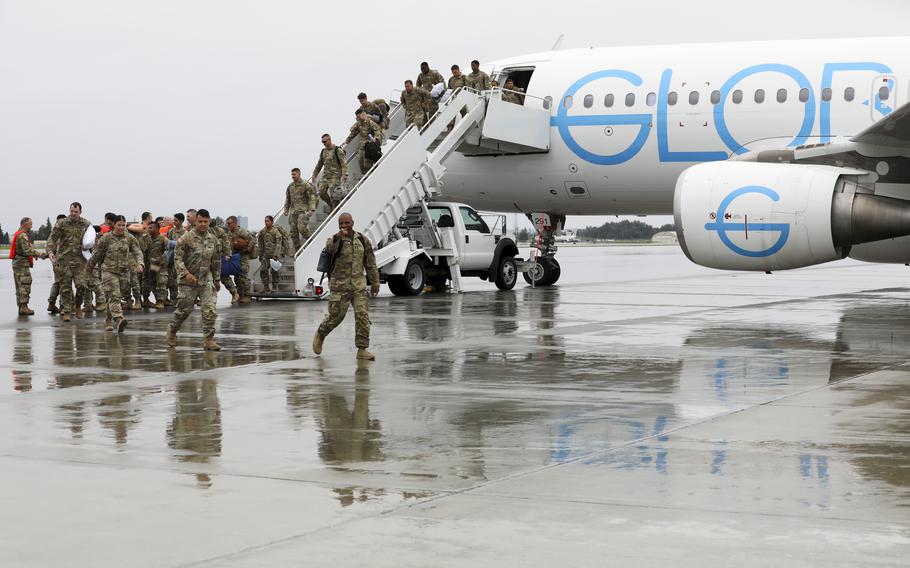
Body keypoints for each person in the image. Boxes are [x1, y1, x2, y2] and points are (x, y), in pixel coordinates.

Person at [312, 212, 380, 361]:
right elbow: (329, 248)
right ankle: (321, 333)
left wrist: (375, 282)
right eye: (341, 224)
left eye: (346, 223)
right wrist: (337, 237)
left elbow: (370, 262)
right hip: (339, 286)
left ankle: (362, 349)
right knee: (336, 317)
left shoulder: (362, 239)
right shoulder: (335, 240)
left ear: (352, 223)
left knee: (362, 315)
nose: (344, 226)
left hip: (358, 286)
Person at [166, 208, 222, 351]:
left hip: (205, 279)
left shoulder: (212, 239)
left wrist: (217, 278)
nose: (203, 224)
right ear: (195, 221)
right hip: (188, 281)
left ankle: (209, 340)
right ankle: (172, 330)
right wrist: (186, 274)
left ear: (209, 222)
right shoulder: (186, 238)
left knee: (209, 310)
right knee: (184, 311)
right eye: (200, 221)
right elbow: (177, 258)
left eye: (205, 221)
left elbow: (216, 260)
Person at [88, 215, 143, 333]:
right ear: (114, 225)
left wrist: (140, 264)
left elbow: (137, 252)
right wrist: (88, 270)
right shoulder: (106, 238)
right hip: (108, 271)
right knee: (114, 295)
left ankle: (108, 319)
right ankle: (119, 319)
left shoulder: (129, 238)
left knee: (114, 298)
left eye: (123, 225)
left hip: (124, 272)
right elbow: (96, 255)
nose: (121, 228)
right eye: (119, 225)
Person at [46, 202, 92, 322]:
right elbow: (52, 238)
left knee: (82, 285)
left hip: (80, 261)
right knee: (65, 287)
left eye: (75, 212)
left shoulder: (86, 224)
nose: (73, 213)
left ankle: (77, 306)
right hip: (64, 260)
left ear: (80, 212)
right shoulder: (62, 223)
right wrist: (50, 251)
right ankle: (66, 311)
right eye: (71, 211)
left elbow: (92, 239)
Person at [10, 217, 46, 316]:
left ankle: (21, 306)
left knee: (19, 285)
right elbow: (26, 250)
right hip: (22, 264)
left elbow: (25, 249)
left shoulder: (19, 234)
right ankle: (24, 307)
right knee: (25, 284)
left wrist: (35, 255)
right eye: (30, 224)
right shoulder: (22, 235)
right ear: (24, 224)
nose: (31, 226)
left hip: (18, 264)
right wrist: (39, 254)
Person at [284, 168, 319, 252]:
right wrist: (286, 209)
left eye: (294, 174)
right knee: (293, 233)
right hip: (293, 213)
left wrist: (312, 209)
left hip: (303, 212)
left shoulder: (305, 185)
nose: (293, 176)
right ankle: (298, 251)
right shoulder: (290, 187)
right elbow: (288, 199)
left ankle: (311, 240)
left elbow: (312, 197)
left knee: (302, 228)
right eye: (292, 175)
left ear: (299, 174)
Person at [311, 133, 349, 211]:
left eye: (325, 141)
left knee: (334, 194)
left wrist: (344, 174)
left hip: (335, 175)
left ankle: (335, 210)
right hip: (325, 176)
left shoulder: (337, 150)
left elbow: (344, 163)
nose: (324, 143)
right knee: (321, 192)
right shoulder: (323, 151)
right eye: (322, 142)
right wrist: (314, 174)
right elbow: (319, 164)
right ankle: (330, 205)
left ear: (329, 140)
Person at [225, 215, 256, 304]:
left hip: (243, 256)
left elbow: (253, 240)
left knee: (243, 276)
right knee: (237, 277)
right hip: (235, 257)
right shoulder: (229, 233)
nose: (228, 225)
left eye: (229, 223)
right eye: (227, 224)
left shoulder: (242, 232)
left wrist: (247, 249)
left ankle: (247, 295)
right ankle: (240, 294)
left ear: (235, 223)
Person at [345, 109, 383, 176]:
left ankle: (372, 176)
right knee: (360, 160)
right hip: (361, 146)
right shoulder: (359, 123)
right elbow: (353, 133)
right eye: (357, 117)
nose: (358, 118)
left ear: (363, 114)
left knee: (367, 163)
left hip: (369, 146)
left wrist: (376, 139)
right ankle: (365, 177)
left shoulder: (369, 122)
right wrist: (346, 141)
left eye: (359, 116)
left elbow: (377, 130)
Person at [140, 220, 169, 308]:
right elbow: (141, 248)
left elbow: (168, 251)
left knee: (160, 282)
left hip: (158, 265)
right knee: (146, 282)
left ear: (157, 229)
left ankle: (160, 301)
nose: (148, 230)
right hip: (148, 265)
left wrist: (160, 260)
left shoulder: (163, 239)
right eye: (148, 228)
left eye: (151, 228)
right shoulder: (145, 238)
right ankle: (146, 300)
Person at [257, 215, 286, 293]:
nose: (266, 223)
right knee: (263, 270)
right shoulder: (262, 232)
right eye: (265, 221)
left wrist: (276, 255)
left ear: (272, 222)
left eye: (268, 221)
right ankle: (266, 286)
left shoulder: (276, 231)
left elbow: (278, 244)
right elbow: (260, 244)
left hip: (274, 255)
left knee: (274, 271)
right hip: (266, 255)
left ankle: (274, 286)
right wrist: (260, 254)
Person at [46, 214, 67, 314]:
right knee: (64, 283)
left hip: (59, 261)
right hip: (60, 261)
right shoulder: (59, 232)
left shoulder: (55, 232)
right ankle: (62, 306)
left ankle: (52, 303)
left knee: (58, 283)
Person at [166, 212, 186, 305]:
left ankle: (181, 298)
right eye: (174, 220)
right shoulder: (171, 231)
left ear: (181, 221)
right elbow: (168, 243)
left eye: (176, 220)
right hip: (171, 258)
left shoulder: (185, 232)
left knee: (180, 280)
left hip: (181, 259)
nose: (174, 222)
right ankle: (173, 298)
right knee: (171, 279)